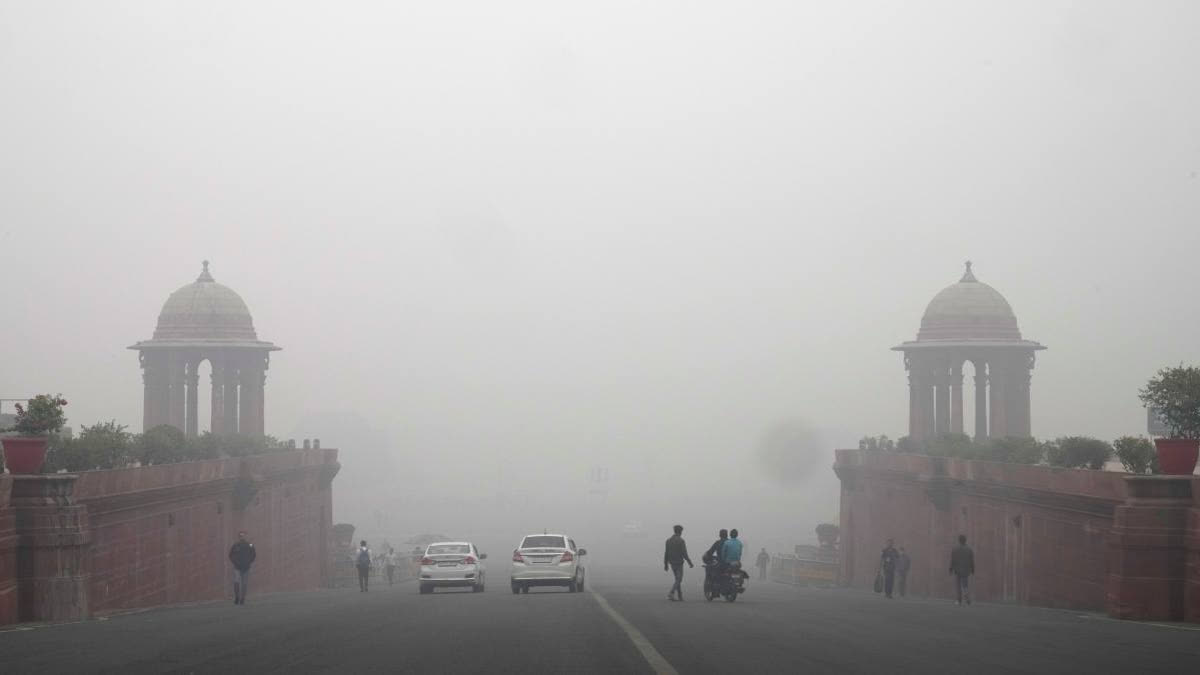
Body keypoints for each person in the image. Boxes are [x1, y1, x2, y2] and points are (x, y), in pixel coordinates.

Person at [663, 524, 694, 601]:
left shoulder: (668, 540)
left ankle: (680, 595)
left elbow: (666, 553)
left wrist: (666, 564)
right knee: (679, 579)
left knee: (677, 579)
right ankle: (671, 592)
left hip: (671, 562)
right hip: (679, 563)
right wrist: (689, 562)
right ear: (680, 531)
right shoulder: (681, 541)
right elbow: (684, 553)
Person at [228, 530, 256, 605]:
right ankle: (237, 597)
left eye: (243, 535)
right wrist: (235, 562)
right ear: (239, 537)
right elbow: (230, 555)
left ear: (246, 536)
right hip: (237, 567)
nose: (242, 537)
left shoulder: (250, 545)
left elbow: (253, 555)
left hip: (246, 567)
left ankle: (242, 598)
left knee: (244, 584)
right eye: (241, 536)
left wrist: (249, 562)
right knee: (236, 582)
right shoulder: (235, 545)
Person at [949, 534, 975, 605]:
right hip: (966, 570)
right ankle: (967, 599)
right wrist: (972, 569)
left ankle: (958, 600)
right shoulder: (969, 549)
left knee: (958, 586)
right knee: (965, 585)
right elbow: (971, 560)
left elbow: (953, 560)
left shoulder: (955, 549)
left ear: (959, 540)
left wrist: (951, 569)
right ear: (965, 540)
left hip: (957, 570)